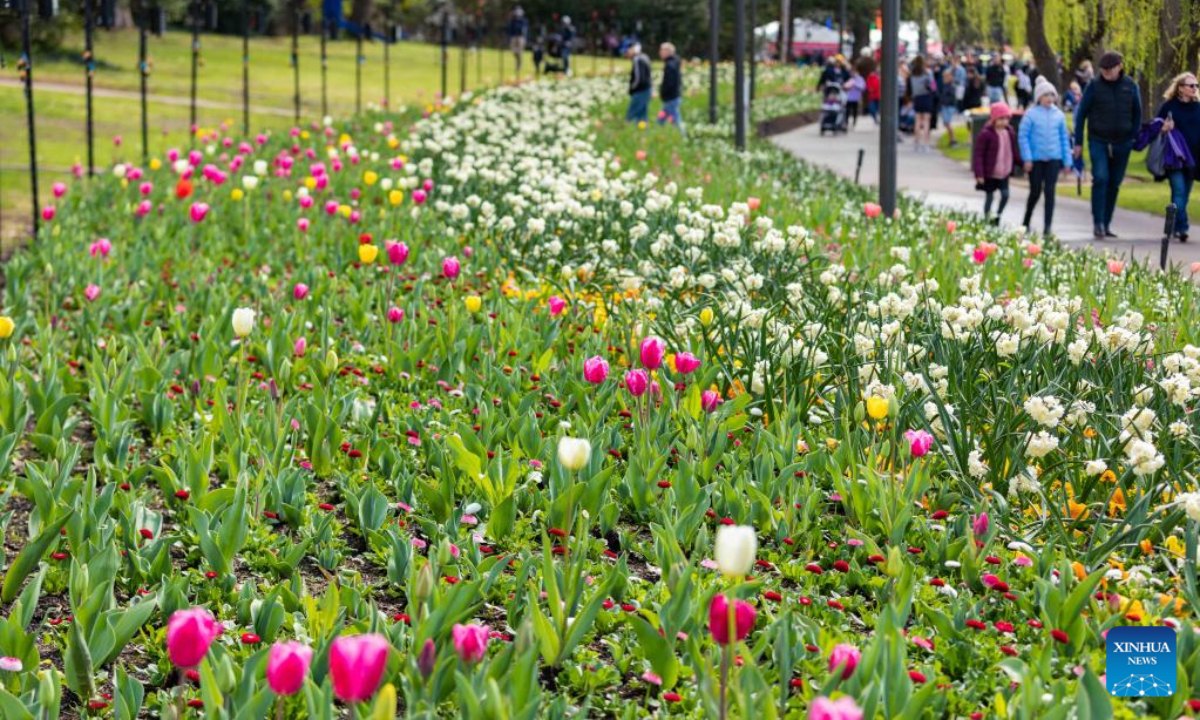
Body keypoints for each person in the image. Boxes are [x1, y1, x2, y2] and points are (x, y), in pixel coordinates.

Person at [1073, 51, 1142, 238]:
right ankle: (1098, 223)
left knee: (1114, 183)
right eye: (1102, 69)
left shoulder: (1130, 86)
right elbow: (1081, 115)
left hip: (1123, 142)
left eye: (1109, 69)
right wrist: (1078, 142)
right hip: (1098, 140)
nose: (1105, 72)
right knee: (1101, 178)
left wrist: (1133, 136)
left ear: (1119, 66)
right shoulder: (1094, 86)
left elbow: (1137, 113)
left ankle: (1107, 222)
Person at [1019, 78, 1073, 235]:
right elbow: (1023, 137)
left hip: (1053, 159)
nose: (1050, 98)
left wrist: (1067, 161)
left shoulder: (1059, 116)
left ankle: (1047, 226)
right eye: (1046, 95)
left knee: (1050, 192)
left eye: (1052, 95)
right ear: (1039, 97)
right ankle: (1026, 221)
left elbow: (1064, 139)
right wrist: (1027, 158)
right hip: (1036, 160)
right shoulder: (1030, 115)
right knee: (1035, 191)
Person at [1156, 72, 1200, 242]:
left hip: (1193, 158)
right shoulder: (1169, 106)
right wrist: (1164, 127)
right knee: (1179, 190)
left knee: (1182, 194)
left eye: (1196, 85)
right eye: (1191, 85)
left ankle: (1173, 225)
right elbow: (1156, 126)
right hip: (1174, 157)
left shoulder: (1198, 107)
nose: (1194, 88)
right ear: (1181, 88)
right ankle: (1182, 227)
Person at [973, 102, 1021, 224]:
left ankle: (997, 216)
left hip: (1004, 171)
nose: (1005, 121)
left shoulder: (1009, 132)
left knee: (1005, 195)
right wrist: (979, 174)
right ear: (994, 119)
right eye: (1001, 118)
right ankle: (986, 219)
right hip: (990, 172)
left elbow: (1014, 151)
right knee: (989, 197)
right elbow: (978, 155)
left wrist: (1021, 163)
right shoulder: (986, 134)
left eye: (1007, 118)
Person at [907, 56, 936, 152]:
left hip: (917, 98)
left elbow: (910, 88)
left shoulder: (912, 74)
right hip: (926, 97)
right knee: (926, 122)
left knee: (917, 121)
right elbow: (933, 86)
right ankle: (926, 144)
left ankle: (916, 143)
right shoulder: (928, 73)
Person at [658, 42, 684, 135]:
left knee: (676, 119)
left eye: (661, 50)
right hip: (673, 96)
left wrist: (663, 93)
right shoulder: (674, 62)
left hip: (671, 97)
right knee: (661, 118)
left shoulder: (670, 65)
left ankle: (683, 137)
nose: (660, 52)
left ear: (667, 51)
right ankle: (659, 135)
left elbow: (670, 82)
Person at [626, 43, 652, 123]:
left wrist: (632, 88)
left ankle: (626, 132)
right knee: (642, 115)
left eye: (629, 50)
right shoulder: (645, 57)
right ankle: (642, 133)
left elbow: (638, 78)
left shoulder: (637, 59)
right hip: (647, 89)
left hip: (640, 90)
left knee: (630, 115)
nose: (627, 52)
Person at [938, 68, 959, 146]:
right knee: (946, 123)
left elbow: (951, 97)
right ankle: (951, 139)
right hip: (945, 106)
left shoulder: (951, 86)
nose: (944, 78)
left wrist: (944, 102)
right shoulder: (945, 85)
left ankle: (953, 140)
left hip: (948, 106)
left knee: (947, 123)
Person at [507, 7, 528, 79]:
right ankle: (517, 61)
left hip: (520, 37)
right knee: (513, 51)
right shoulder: (513, 21)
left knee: (520, 52)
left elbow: (526, 31)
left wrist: (526, 39)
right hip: (514, 37)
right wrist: (509, 38)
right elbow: (510, 30)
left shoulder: (523, 21)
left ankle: (519, 65)